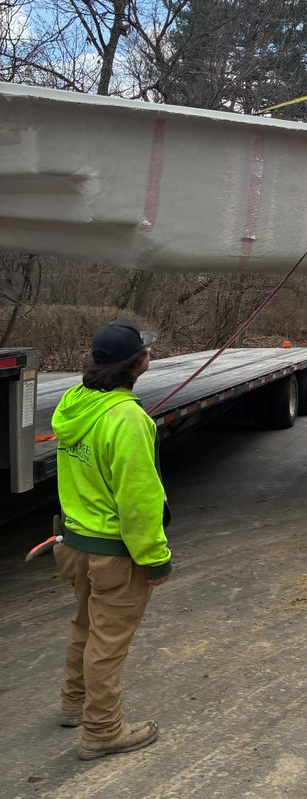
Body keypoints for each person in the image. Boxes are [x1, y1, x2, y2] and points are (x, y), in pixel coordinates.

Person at [52, 318, 172, 760]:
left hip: (74, 543)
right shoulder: (128, 419)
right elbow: (139, 499)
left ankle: (74, 702)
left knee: (85, 625)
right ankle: (102, 730)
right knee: (108, 642)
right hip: (113, 554)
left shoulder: (75, 401)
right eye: (146, 351)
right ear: (138, 363)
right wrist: (155, 559)